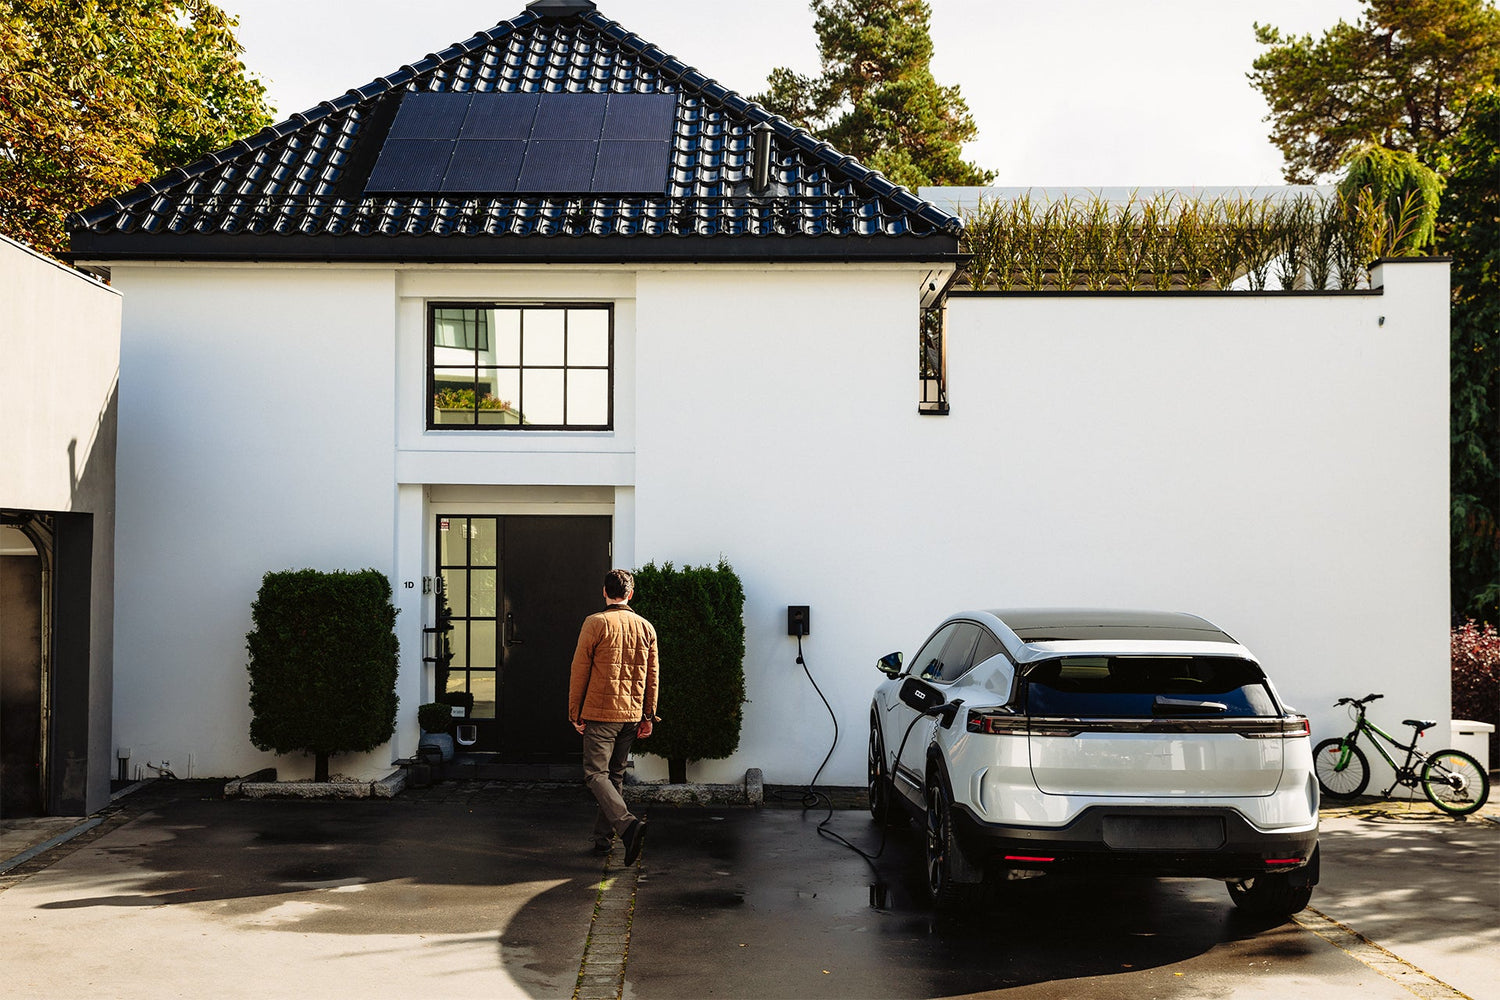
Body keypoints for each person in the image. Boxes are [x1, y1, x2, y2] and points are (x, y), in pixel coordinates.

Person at [568, 568, 659, 864]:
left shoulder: (595, 623)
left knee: (596, 774)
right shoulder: (646, 627)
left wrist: (574, 712)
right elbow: (652, 676)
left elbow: (579, 670)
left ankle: (627, 825)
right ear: (630, 594)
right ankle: (603, 840)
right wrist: (648, 715)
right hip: (631, 716)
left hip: (600, 713)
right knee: (615, 775)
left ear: (604, 592)